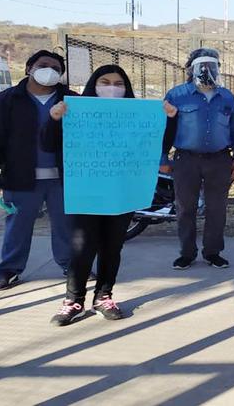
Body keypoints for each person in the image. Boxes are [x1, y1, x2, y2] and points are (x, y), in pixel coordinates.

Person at [44, 65, 166, 325]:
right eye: (105, 81)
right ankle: (73, 300)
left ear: (127, 88)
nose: (112, 87)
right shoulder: (74, 111)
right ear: (93, 84)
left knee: (112, 246)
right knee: (81, 246)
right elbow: (48, 143)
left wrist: (170, 119)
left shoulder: (137, 116)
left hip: (123, 191)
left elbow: (159, 145)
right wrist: (54, 120)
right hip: (86, 190)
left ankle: (104, 295)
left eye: (118, 83)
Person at [0, 50, 76, 290]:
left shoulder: (73, 101)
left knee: (66, 225)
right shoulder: (7, 100)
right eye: (43, 65)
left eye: (56, 68)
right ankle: (9, 269)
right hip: (20, 176)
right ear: (28, 69)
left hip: (63, 178)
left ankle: (71, 265)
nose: (49, 70)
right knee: (17, 225)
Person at [162, 48, 234, 270]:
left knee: (216, 208)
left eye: (213, 65)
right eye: (203, 66)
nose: (208, 70)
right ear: (192, 68)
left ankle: (213, 252)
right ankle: (186, 253)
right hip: (186, 160)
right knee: (185, 208)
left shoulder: (226, 96)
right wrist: (162, 157)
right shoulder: (176, 95)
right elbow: (164, 129)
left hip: (219, 160)